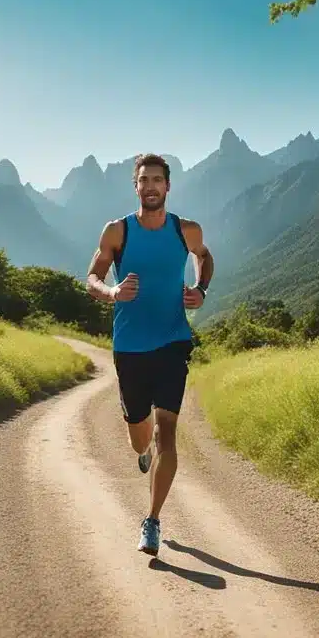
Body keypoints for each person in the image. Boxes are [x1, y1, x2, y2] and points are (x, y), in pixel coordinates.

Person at [86, 153, 214, 556]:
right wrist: (111, 292)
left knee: (168, 434)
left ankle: (152, 520)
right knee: (140, 436)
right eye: (145, 180)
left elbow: (205, 257)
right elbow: (92, 277)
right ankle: (144, 451)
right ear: (136, 186)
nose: (152, 186)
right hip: (130, 349)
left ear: (168, 186)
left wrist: (201, 290)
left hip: (174, 341)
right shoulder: (117, 231)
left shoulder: (185, 230)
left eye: (158, 179)